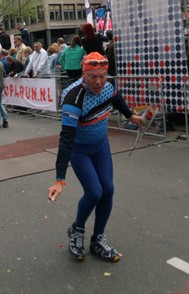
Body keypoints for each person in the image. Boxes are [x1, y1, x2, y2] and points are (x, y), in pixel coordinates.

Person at [47, 52, 144, 263]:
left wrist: (130, 115)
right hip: (79, 150)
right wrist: (59, 179)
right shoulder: (73, 98)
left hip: (100, 146)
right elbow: (66, 140)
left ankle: (98, 239)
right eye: (93, 77)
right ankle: (77, 230)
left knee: (108, 191)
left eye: (102, 76)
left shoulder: (108, 86)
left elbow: (116, 98)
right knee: (94, 192)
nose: (98, 82)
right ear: (84, 74)